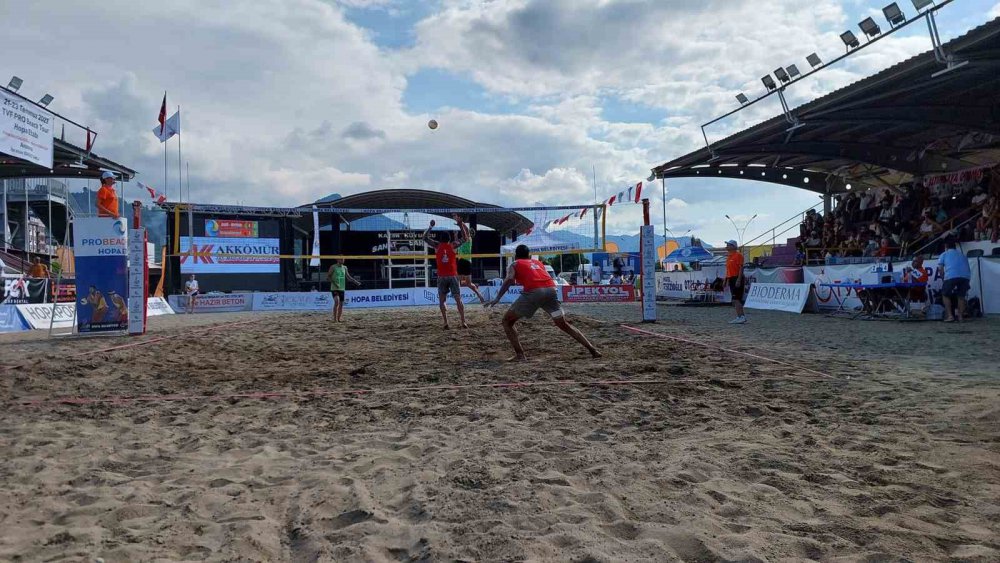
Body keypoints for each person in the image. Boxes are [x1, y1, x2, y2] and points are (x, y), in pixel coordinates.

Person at [488, 244, 601, 361]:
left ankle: (520, 355)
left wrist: (498, 297)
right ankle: (593, 350)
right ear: (529, 255)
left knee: (507, 321)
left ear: (516, 255)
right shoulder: (538, 263)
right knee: (563, 324)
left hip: (535, 292)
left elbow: (509, 279)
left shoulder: (515, 264)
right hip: (551, 291)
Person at [423, 217, 469, 329]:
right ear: (449, 239)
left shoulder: (437, 246)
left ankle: (445, 323)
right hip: (452, 276)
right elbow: (465, 238)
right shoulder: (452, 246)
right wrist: (460, 225)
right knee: (458, 299)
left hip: (442, 277)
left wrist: (430, 227)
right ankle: (463, 322)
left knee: (442, 300)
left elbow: (424, 238)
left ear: (440, 239)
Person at [451, 214, 486, 304]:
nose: (466, 232)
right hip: (467, 262)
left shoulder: (468, 239)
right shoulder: (463, 241)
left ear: (470, 234)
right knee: (468, 283)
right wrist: (455, 234)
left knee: (457, 280)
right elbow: (457, 243)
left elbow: (465, 230)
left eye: (468, 232)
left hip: (462, 261)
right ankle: (480, 295)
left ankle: (458, 299)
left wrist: (460, 222)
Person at [939, 240, 971, 323]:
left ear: (946, 246)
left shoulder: (944, 254)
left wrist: (943, 279)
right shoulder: (962, 255)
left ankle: (950, 316)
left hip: (951, 275)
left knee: (945, 294)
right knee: (961, 296)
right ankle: (960, 317)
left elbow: (941, 269)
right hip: (965, 276)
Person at [724, 240, 747, 324]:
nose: (726, 246)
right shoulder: (729, 256)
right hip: (731, 278)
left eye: (728, 245)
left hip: (737, 278)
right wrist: (725, 279)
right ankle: (740, 316)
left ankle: (741, 317)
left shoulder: (738, 255)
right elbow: (728, 270)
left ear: (733, 246)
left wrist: (739, 279)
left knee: (736, 299)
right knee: (735, 299)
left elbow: (741, 268)